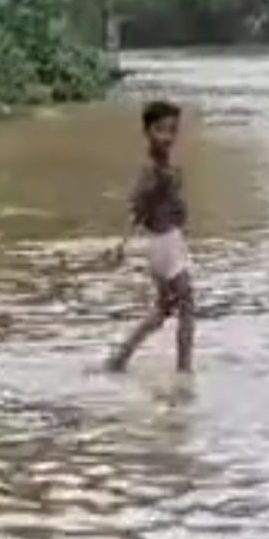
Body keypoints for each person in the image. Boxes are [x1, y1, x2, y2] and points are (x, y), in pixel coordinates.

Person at [106, 100, 195, 375]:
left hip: (169, 241)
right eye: (160, 130)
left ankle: (120, 358)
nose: (167, 137)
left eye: (172, 130)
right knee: (187, 305)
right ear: (147, 131)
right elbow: (137, 206)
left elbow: (167, 205)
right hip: (163, 243)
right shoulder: (151, 169)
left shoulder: (166, 166)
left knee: (164, 310)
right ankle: (184, 370)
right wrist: (122, 243)